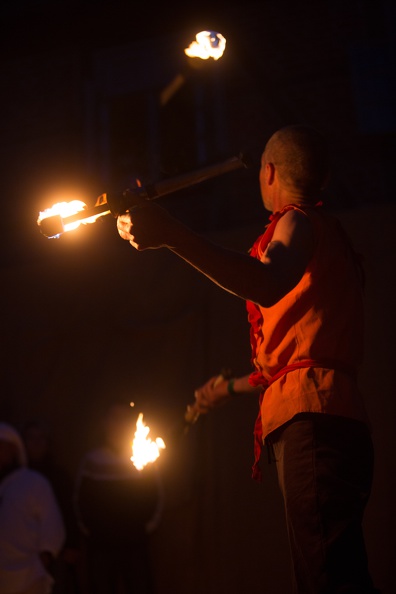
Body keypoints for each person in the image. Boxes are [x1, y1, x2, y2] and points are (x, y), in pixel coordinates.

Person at [116, 124, 380, 593]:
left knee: (326, 581)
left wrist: (173, 233)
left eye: (261, 168)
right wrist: (230, 388)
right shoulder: (327, 238)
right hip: (332, 417)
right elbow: (301, 356)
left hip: (315, 422)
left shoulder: (297, 221)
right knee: (337, 574)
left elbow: (266, 281)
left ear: (270, 172)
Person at [74, 401, 164, 594]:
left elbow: (156, 495)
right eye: (114, 418)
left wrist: (146, 527)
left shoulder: (143, 456)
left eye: (124, 418)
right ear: (104, 422)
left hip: (135, 542)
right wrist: (90, 530)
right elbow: (80, 500)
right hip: (101, 544)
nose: (119, 423)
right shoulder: (93, 460)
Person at [0, 421, 66, 594]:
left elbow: (52, 524)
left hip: (28, 576)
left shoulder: (33, 482)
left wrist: (44, 558)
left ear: (14, 449)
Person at [21, 419, 82, 594]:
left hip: (58, 553)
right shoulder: (15, 478)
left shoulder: (59, 476)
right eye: (31, 438)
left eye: (41, 438)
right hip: (25, 554)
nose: (37, 443)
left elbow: (70, 511)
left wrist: (72, 545)